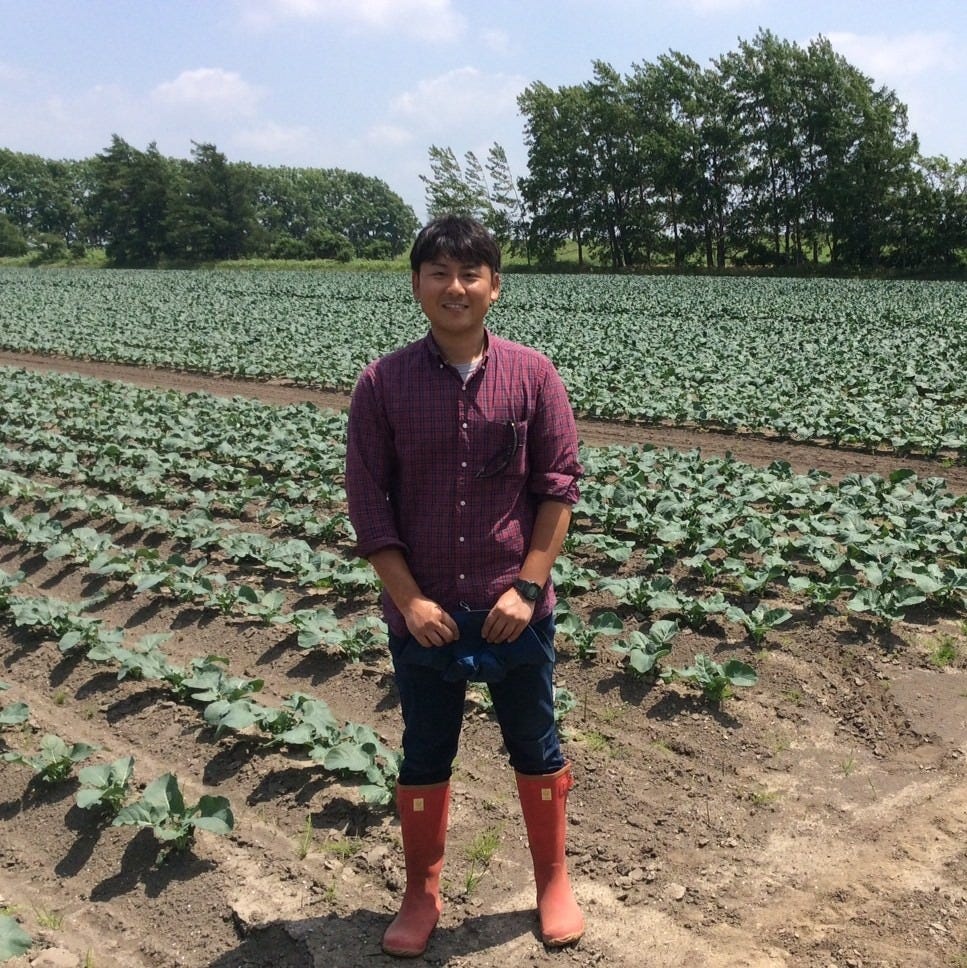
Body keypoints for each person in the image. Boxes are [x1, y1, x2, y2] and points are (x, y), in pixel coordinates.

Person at [345, 214, 585, 957]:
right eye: (439, 273)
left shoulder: (533, 375)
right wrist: (410, 601)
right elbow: (368, 503)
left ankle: (553, 881)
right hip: (426, 615)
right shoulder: (382, 384)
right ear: (417, 285)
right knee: (425, 751)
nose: (455, 287)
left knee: (535, 743)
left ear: (494, 287)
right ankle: (421, 894)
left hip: (514, 607)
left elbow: (557, 490)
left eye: (470, 273)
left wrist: (526, 589)